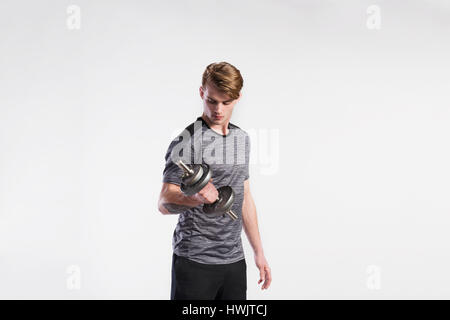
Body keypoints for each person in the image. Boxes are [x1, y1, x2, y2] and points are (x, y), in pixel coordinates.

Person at [158, 62, 271, 300]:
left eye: (226, 102)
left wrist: (258, 252)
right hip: (195, 261)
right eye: (211, 100)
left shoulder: (242, 139)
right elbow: (164, 202)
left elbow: (244, 196)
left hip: (234, 262)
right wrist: (195, 198)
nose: (218, 109)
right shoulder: (186, 142)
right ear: (202, 93)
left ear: (237, 98)